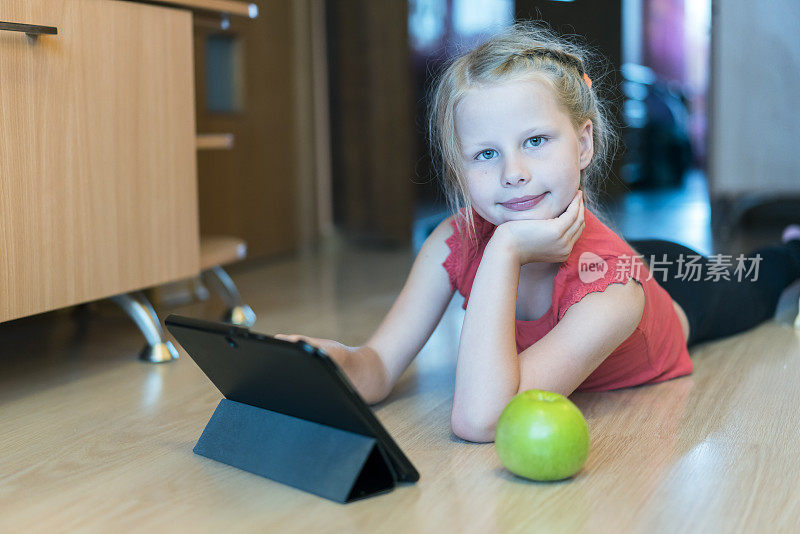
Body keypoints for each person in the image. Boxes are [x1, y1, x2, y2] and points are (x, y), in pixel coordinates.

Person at [276, 23, 800, 443]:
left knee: (759, 276)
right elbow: (377, 368)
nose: (513, 172)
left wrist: (504, 249)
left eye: (535, 141)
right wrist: (330, 362)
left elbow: (483, 420)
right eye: (485, 153)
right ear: (459, 172)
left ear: (584, 143)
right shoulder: (452, 241)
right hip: (591, 255)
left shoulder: (615, 297)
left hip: (678, 292)